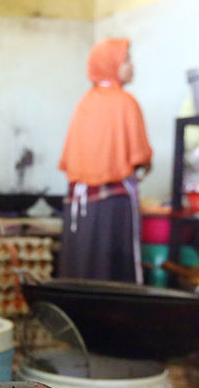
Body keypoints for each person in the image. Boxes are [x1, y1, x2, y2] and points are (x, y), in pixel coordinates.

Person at [57, 38, 152, 283]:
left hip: (78, 204)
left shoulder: (84, 102)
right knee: (112, 269)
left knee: (82, 263)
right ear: (111, 64)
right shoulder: (126, 102)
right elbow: (140, 158)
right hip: (114, 205)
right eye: (127, 59)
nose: (133, 65)